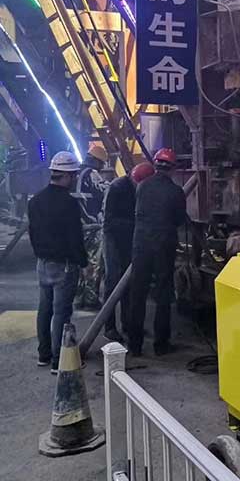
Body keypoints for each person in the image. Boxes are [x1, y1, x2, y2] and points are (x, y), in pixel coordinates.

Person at [28, 151, 87, 374]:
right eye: (74, 175)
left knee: (45, 309)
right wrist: (83, 262)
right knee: (62, 313)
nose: (75, 179)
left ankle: (43, 355)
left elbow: (33, 233)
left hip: (43, 263)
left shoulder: (35, 201)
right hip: (64, 265)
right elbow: (75, 237)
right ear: (67, 176)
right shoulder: (69, 204)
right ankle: (58, 361)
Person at [128, 148, 186, 357]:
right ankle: (161, 345)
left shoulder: (142, 186)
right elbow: (179, 219)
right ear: (173, 168)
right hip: (163, 246)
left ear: (155, 164)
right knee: (163, 294)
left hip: (141, 245)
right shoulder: (176, 191)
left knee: (138, 293)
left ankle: (134, 345)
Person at [103, 161, 155, 342]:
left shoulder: (143, 188)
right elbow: (109, 221)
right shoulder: (117, 188)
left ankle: (128, 323)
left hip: (130, 238)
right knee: (113, 281)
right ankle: (109, 327)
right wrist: (135, 223)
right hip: (113, 238)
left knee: (129, 283)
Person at [75, 143, 109, 310]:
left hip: (77, 226)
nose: (102, 167)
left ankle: (78, 297)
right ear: (96, 161)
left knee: (79, 263)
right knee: (94, 264)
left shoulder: (75, 174)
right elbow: (106, 191)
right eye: (102, 163)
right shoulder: (92, 174)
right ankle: (91, 299)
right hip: (92, 225)